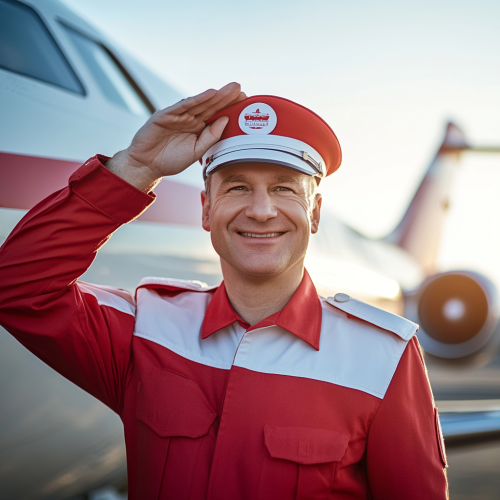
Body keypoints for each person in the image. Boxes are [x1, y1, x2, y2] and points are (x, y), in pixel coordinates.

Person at [0, 83, 448, 499]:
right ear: (206, 210)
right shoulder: (146, 330)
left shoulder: (385, 356)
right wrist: (136, 168)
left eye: (283, 188)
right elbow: (19, 285)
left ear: (314, 214)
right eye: (237, 188)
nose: (260, 210)